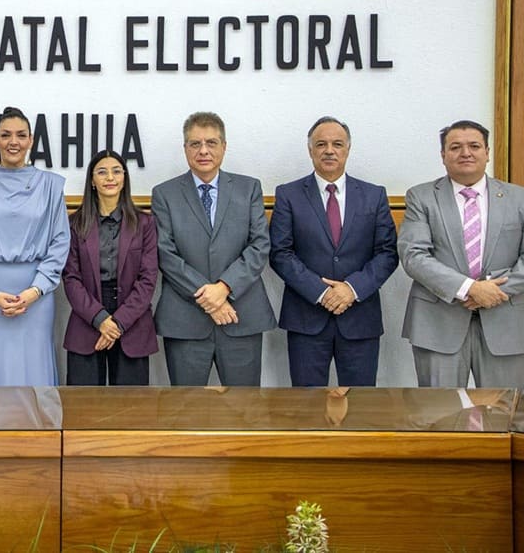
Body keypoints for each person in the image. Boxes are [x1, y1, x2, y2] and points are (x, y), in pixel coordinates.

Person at [269, 116, 398, 387]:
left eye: (337, 144)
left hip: (359, 318)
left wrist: (351, 289)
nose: (329, 150)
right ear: (310, 150)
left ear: (348, 149)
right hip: (306, 318)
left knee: (361, 408)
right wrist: (321, 292)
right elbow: (281, 253)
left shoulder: (373, 195)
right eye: (321, 144)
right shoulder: (289, 194)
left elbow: (387, 253)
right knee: (306, 408)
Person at [151, 111, 276, 386]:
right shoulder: (164, 194)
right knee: (185, 412)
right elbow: (165, 253)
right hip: (186, 320)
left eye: (211, 142)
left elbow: (259, 245)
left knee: (244, 413)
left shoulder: (249, 188)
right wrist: (208, 297)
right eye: (195, 144)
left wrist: (224, 288)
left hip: (240, 315)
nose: (203, 150)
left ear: (224, 147)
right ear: (185, 148)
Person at [399, 119, 524, 387]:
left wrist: (493, 291)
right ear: (443, 155)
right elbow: (413, 255)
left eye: (474, 146)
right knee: (439, 417)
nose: (465, 153)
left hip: (507, 321)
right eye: (455, 147)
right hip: (438, 324)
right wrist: (470, 288)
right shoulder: (421, 197)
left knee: (504, 416)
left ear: (488, 152)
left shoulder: (518, 198)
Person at [0, 107, 70, 386]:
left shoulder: (50, 185)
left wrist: (35, 290)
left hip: (36, 294)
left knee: (34, 369)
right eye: (6, 135)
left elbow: (59, 241)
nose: (14, 142)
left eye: (21, 135)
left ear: (31, 140)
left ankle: (36, 431)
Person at [62, 150, 158, 385]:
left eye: (116, 171)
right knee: (82, 409)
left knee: (130, 411)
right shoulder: (75, 224)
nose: (110, 177)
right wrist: (101, 320)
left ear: (124, 178)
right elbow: (71, 277)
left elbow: (148, 279)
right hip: (87, 318)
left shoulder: (145, 223)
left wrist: (117, 323)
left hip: (132, 320)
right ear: (92, 181)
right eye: (102, 172)